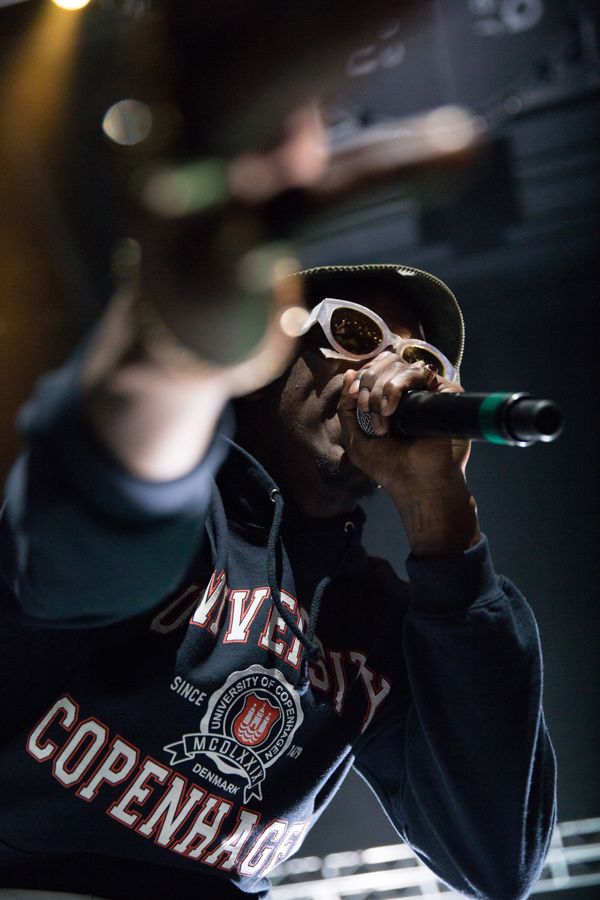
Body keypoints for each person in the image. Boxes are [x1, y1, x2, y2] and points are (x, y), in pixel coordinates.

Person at [0, 2, 555, 899]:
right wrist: (181, 347)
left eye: (426, 360)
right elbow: (90, 537)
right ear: (264, 357)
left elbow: (493, 859)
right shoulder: (186, 506)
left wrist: (447, 534)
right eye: (357, 332)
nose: (398, 369)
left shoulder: (373, 620)